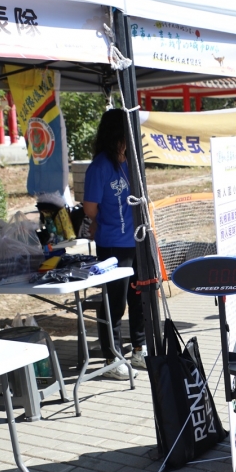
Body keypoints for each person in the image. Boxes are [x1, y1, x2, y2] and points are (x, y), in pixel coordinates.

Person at [82, 109, 144, 378]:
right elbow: (90, 207)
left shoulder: (131, 162)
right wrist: (101, 221)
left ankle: (139, 349)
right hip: (113, 244)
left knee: (139, 297)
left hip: (137, 239)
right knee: (114, 302)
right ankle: (112, 356)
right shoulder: (99, 167)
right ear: (118, 133)